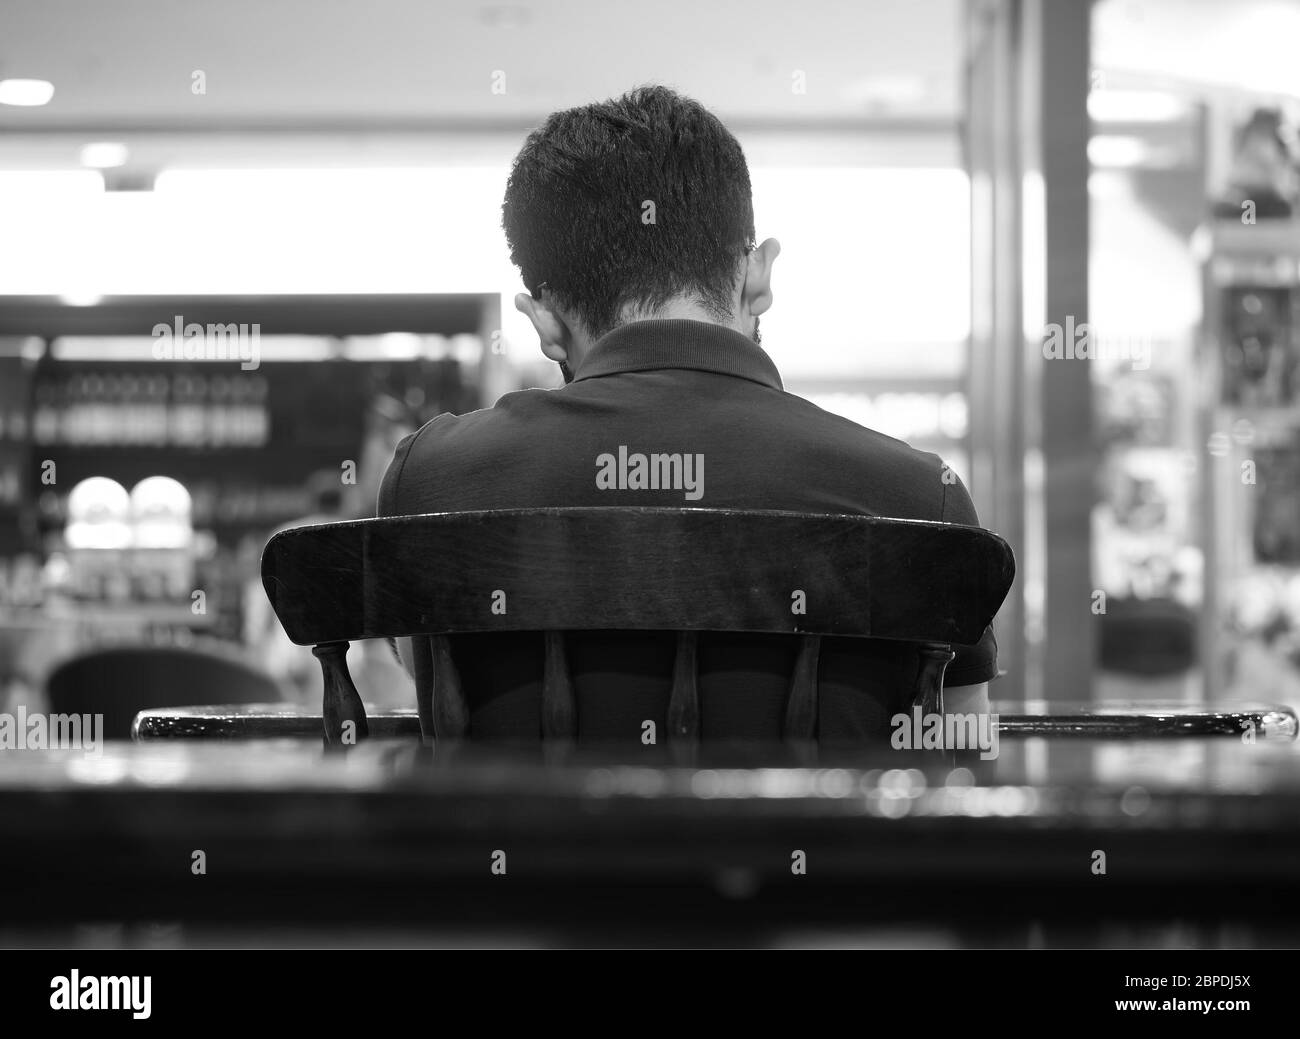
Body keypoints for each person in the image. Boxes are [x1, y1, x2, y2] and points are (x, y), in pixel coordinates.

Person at [378, 85, 999, 740]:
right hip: (811, 847)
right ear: (758, 277)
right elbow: (961, 760)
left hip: (523, 847)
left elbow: (430, 687)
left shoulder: (432, 481)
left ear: (545, 323)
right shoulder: (920, 498)